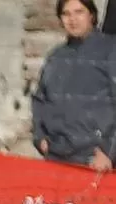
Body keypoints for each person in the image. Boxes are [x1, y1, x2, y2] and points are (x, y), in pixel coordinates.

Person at [32, 0, 116, 171]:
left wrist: (109, 150)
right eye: (66, 14)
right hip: (57, 155)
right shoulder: (55, 57)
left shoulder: (110, 50)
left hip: (94, 159)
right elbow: (40, 100)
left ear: (91, 15)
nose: (73, 19)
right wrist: (40, 138)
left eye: (79, 12)